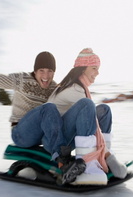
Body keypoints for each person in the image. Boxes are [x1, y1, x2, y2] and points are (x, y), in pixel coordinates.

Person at [47, 48, 128, 185]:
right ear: (83, 68)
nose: (97, 72)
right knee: (87, 105)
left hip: (68, 134)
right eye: (94, 68)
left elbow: (92, 120)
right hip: (58, 141)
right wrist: (109, 157)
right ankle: (88, 162)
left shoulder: (79, 86)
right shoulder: (74, 88)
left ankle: (101, 157)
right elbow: (90, 121)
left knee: (104, 110)